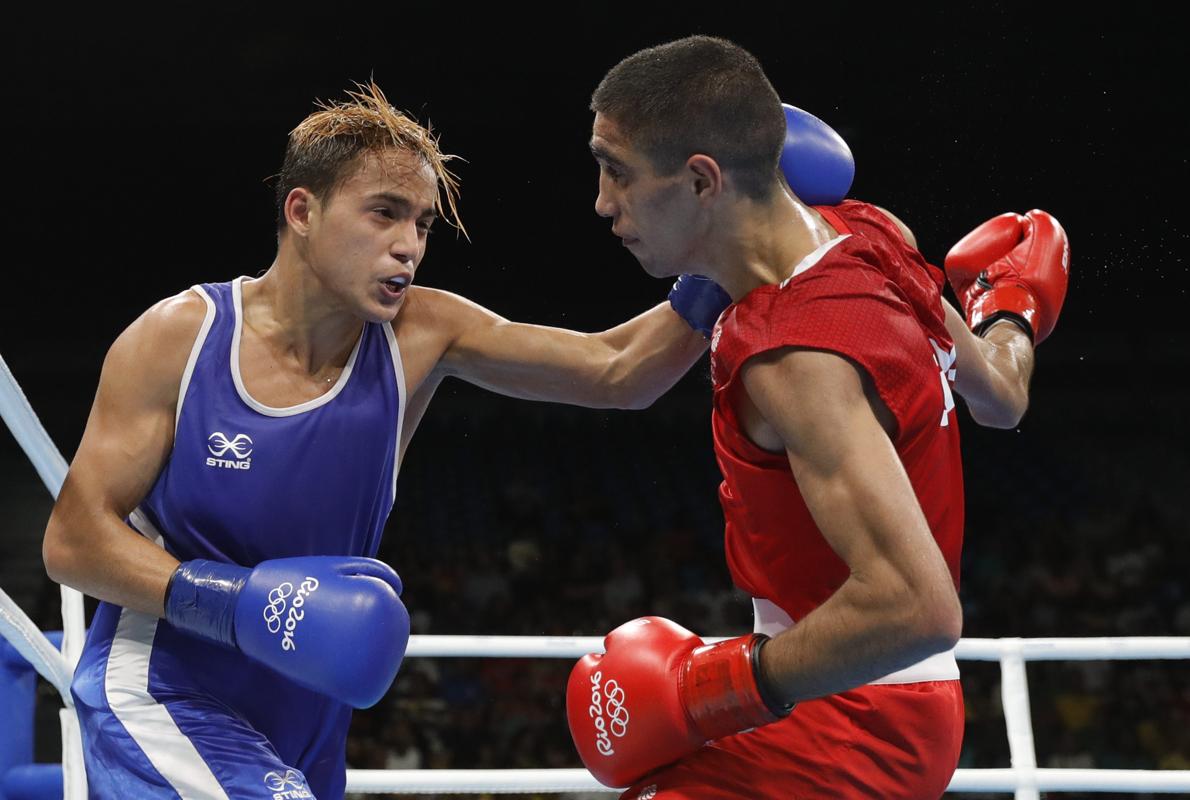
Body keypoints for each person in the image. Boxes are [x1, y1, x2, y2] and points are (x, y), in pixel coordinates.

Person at [40, 82, 849, 798]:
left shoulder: (420, 334)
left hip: (304, 714)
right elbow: (73, 539)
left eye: (422, 223)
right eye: (384, 213)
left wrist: (735, 233)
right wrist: (234, 604)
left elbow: (617, 369)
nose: (409, 245)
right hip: (166, 688)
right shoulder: (183, 337)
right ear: (302, 212)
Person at [566, 36, 1069, 799]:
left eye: (618, 172)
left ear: (701, 180)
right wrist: (1011, 310)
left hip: (852, 714)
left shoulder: (793, 356)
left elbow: (918, 607)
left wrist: (705, 689)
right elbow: (1001, 395)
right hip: (871, 697)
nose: (604, 202)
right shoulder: (872, 235)